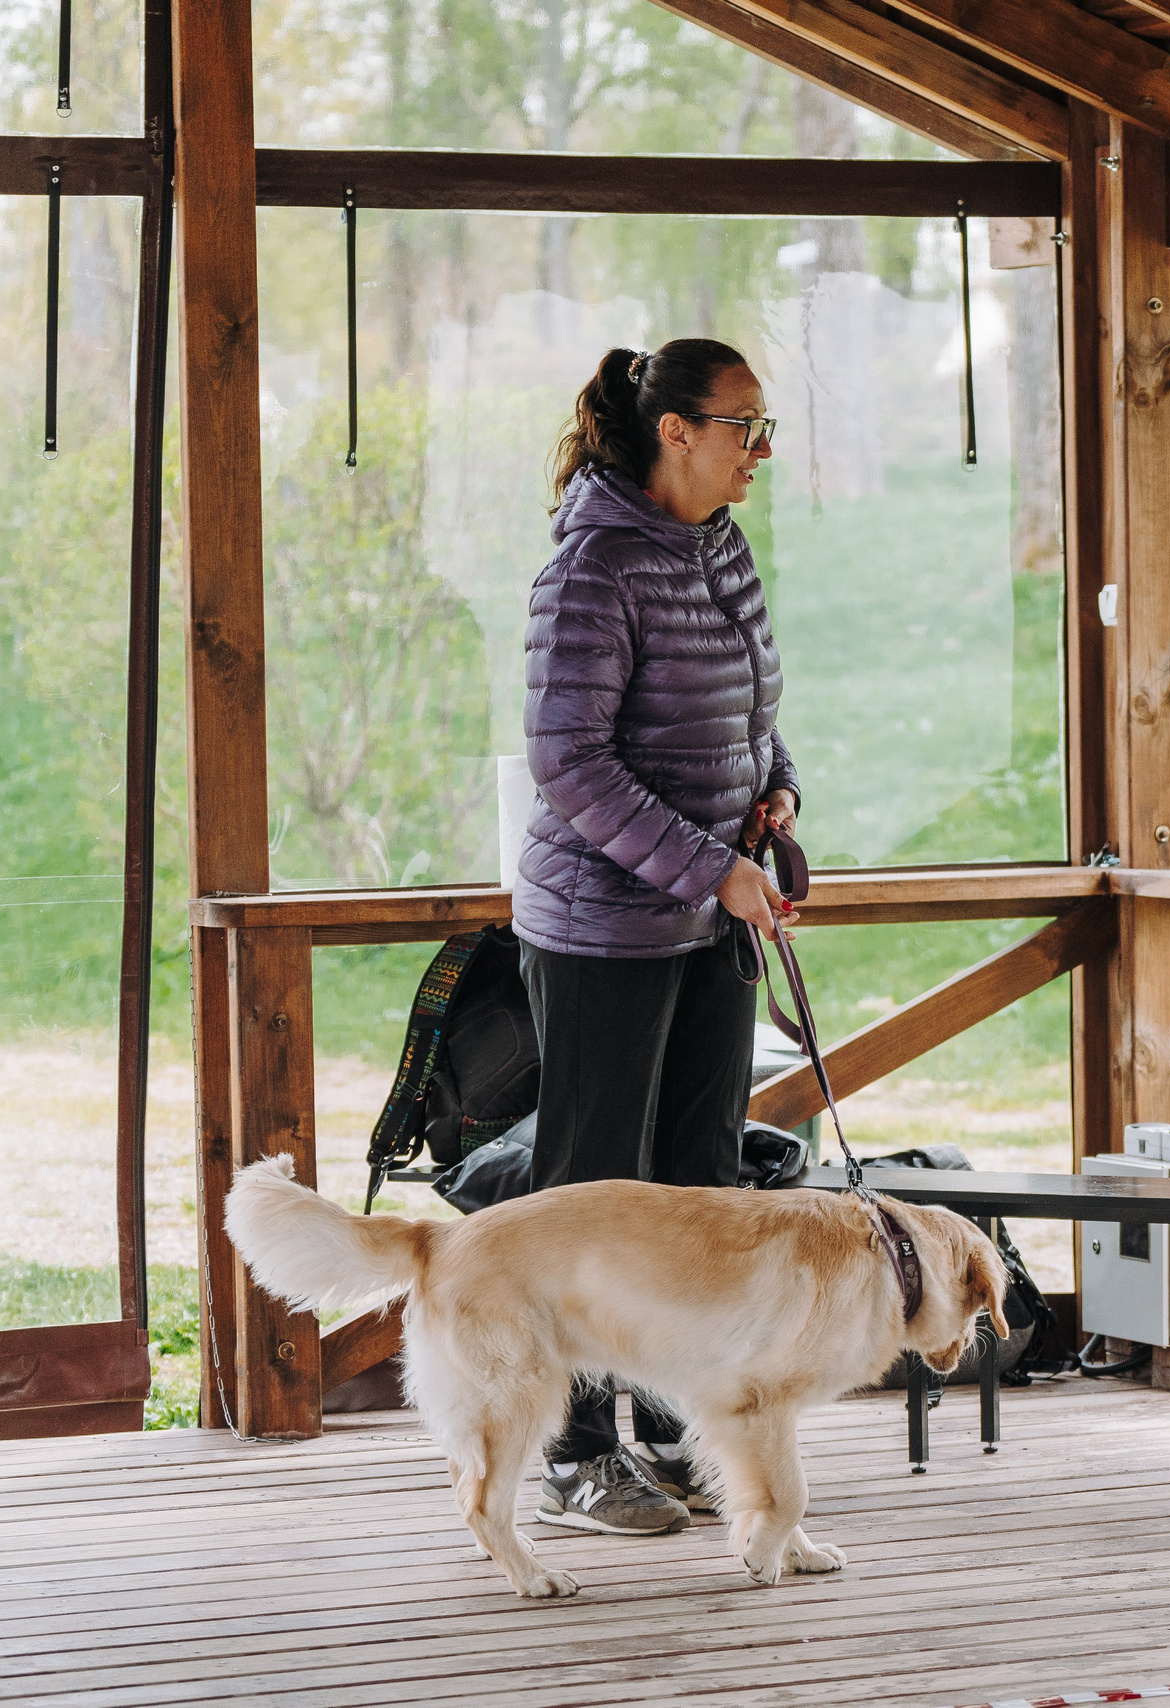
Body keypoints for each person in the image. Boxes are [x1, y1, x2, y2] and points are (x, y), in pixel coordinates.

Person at [512, 337, 800, 1538]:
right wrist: (709, 866)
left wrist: (775, 797)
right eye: (742, 424)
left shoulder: (717, 547)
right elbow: (569, 763)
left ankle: (681, 1422)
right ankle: (576, 1451)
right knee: (589, 1198)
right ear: (674, 429)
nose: (759, 449)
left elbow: (753, 708)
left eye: (763, 422)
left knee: (703, 1193)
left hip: (704, 918)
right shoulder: (592, 568)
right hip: (601, 930)